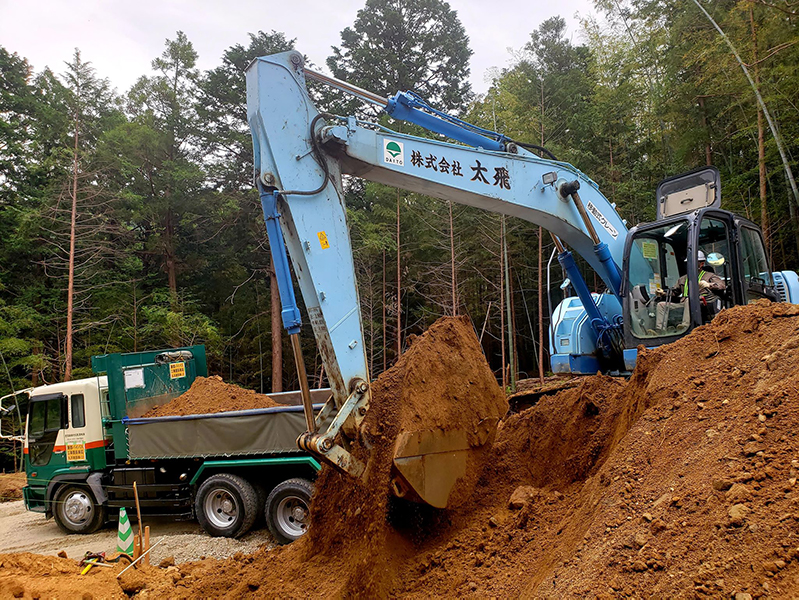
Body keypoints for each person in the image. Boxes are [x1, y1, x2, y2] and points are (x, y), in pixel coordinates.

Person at [655, 251, 726, 331]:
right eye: (688, 263)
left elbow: (721, 285)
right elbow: (675, 292)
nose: (690, 265)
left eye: (693, 263)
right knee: (661, 305)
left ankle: (685, 327)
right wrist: (663, 293)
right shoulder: (683, 279)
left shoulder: (709, 276)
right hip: (684, 304)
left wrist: (709, 285)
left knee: (690, 300)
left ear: (701, 264)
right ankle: (660, 330)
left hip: (702, 305)